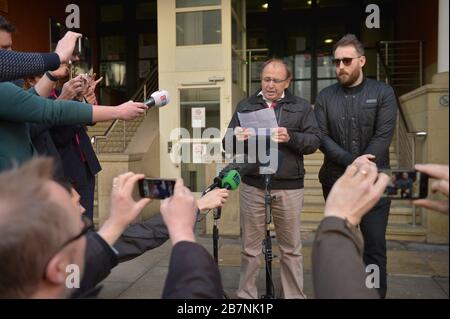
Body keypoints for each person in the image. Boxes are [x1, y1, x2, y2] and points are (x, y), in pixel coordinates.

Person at [0, 158, 224, 299]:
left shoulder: (56, 277)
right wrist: (183, 234)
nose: (84, 212)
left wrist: (115, 223)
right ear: (59, 270)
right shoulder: (71, 276)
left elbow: (106, 247)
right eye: (83, 228)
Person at [223, 58, 321, 299]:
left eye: (277, 80)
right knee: (250, 248)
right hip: (253, 184)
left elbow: (314, 142)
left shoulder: (301, 107)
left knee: (291, 249)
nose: (270, 85)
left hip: (288, 186)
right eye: (266, 79)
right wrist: (238, 137)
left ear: (288, 81)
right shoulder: (245, 105)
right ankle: (247, 296)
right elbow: (226, 143)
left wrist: (291, 137)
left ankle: (294, 296)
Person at [314, 34, 398, 298]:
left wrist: (364, 163)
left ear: (361, 60)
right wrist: (353, 161)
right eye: (336, 61)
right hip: (336, 183)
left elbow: (383, 136)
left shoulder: (383, 92)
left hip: (374, 184)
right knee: (339, 242)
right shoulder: (325, 96)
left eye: (346, 61)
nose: (340, 66)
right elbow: (321, 138)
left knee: (373, 246)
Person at [312, 162, 449, 299]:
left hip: (378, 185)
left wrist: (336, 221)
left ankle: (377, 291)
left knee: (375, 248)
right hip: (337, 175)